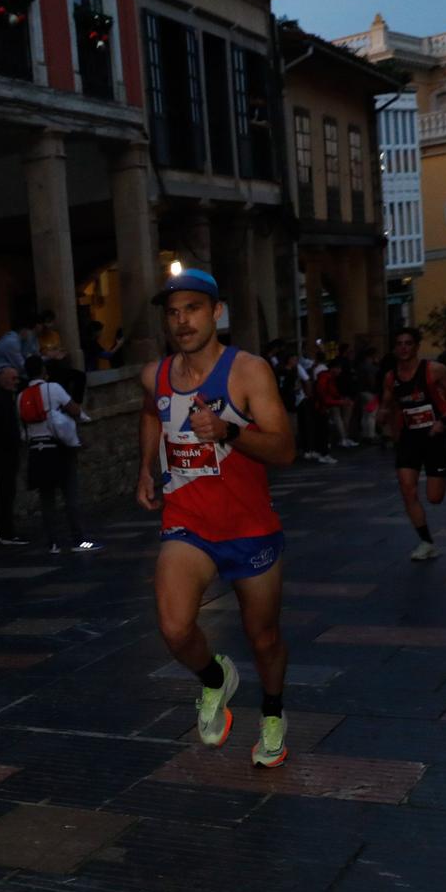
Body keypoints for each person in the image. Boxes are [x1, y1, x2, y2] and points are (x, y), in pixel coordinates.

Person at [136, 268, 296, 769]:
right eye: (174, 312)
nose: (182, 321)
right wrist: (147, 466)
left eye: (193, 309)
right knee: (175, 626)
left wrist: (228, 431)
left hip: (250, 527)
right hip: (188, 521)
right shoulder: (155, 374)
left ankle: (273, 715)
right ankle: (214, 678)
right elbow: (150, 411)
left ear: (216, 312)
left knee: (263, 636)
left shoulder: (248, 371)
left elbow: (285, 450)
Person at [378, 327, 446, 562]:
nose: (404, 347)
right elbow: (387, 401)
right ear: (395, 348)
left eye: (408, 343)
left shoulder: (433, 370)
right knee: (407, 488)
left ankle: (442, 475)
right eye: (399, 343)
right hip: (409, 437)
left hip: (434, 436)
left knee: (435, 497)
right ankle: (426, 542)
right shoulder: (391, 377)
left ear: (416, 346)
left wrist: (444, 420)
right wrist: (383, 413)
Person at [20, 363, 96, 554]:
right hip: (59, 447)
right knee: (70, 494)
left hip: (37, 450)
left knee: (47, 499)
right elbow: (73, 409)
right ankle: (80, 541)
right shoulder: (52, 388)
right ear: (44, 372)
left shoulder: (21, 397)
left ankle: (52, 543)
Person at [0, 365, 28, 546]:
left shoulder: (3, 399)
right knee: (5, 491)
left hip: (5, 451)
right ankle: (6, 532)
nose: (16, 382)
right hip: (3, 453)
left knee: (7, 492)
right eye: (13, 379)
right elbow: (3, 429)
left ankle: (6, 530)